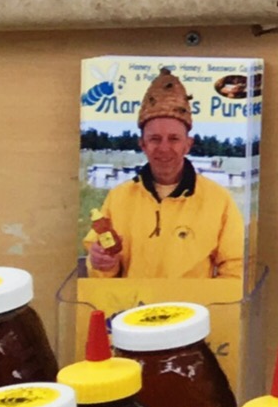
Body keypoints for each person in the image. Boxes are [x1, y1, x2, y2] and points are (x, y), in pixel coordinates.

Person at [83, 69, 246, 291]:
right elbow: (101, 273)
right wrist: (101, 264)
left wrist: (208, 305)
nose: (164, 148)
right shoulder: (118, 198)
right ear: (142, 144)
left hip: (192, 310)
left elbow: (235, 270)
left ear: (188, 144)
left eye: (174, 139)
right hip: (133, 309)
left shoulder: (218, 200)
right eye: (155, 139)